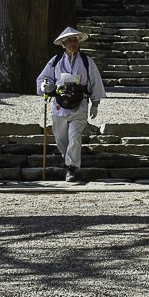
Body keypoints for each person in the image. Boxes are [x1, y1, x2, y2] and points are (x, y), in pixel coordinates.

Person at [37, 26, 105, 184]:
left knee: (74, 136)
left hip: (79, 104)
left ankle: (71, 168)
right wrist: (44, 86)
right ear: (63, 43)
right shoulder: (55, 61)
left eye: (75, 40)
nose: (73, 43)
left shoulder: (87, 61)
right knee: (60, 137)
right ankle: (67, 156)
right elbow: (44, 79)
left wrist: (95, 103)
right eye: (69, 41)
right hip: (59, 105)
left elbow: (95, 81)